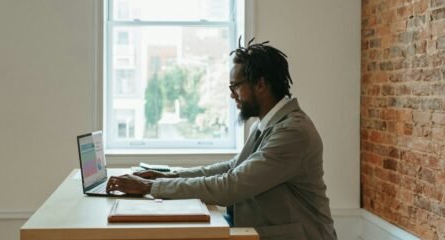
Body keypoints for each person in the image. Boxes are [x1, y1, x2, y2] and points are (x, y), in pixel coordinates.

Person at [106, 39, 337, 240]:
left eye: (235, 86)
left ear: (261, 84)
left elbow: (231, 185)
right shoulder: (267, 123)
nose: (231, 94)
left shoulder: (292, 133)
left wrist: (152, 187)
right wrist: (168, 176)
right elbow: (232, 167)